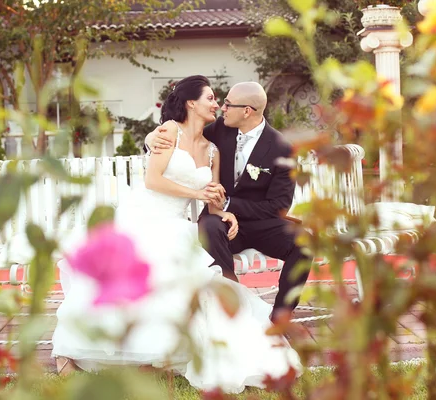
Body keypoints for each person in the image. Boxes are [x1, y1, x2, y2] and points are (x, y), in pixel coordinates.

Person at [51, 75, 301, 393]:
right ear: (191, 103)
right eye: (211, 98)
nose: (217, 103)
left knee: (185, 280)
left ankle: (150, 355)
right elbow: (153, 180)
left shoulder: (213, 150)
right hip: (142, 215)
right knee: (136, 279)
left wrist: (224, 212)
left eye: (220, 100)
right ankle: (68, 355)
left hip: (176, 221)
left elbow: (210, 201)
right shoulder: (169, 132)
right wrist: (156, 141)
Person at [145, 82, 312, 321]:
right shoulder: (219, 130)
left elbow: (278, 206)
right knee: (210, 227)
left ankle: (280, 316)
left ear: (247, 111)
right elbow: (183, 135)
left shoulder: (282, 149)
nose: (222, 108)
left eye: (228, 104)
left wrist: (228, 205)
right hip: (220, 222)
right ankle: (231, 303)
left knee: (304, 243)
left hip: (261, 223)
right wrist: (151, 138)